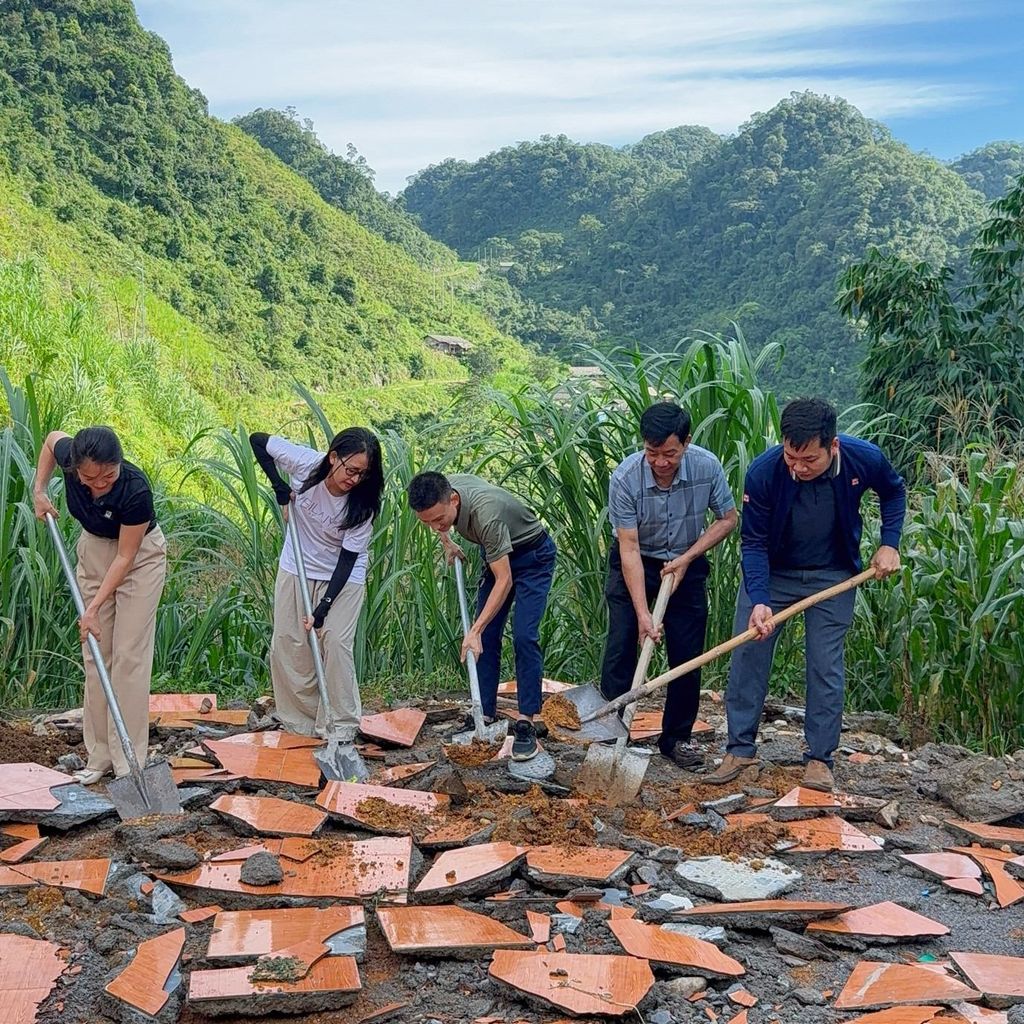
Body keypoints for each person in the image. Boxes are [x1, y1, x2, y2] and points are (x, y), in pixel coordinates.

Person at [708, 398, 906, 792]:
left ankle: (819, 758)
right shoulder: (765, 471)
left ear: (832, 447)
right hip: (774, 576)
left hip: (833, 576)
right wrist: (760, 598)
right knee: (747, 653)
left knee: (825, 664)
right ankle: (739, 749)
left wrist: (889, 543)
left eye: (808, 460)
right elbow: (754, 543)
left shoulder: (862, 458)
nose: (797, 467)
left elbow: (893, 492)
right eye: (791, 456)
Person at [600, 402, 737, 770]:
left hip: (686, 561)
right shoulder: (625, 478)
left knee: (687, 655)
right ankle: (613, 735)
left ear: (687, 443)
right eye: (652, 453)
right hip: (637, 561)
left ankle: (676, 738)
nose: (661, 462)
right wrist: (644, 613)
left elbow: (727, 519)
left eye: (670, 454)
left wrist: (687, 558)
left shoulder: (707, 467)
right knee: (621, 647)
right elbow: (627, 547)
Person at [33, 426, 167, 786]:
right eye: (90, 478)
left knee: (128, 655)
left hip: (138, 559)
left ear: (118, 465)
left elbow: (125, 557)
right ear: (75, 467)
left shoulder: (135, 490)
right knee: (96, 655)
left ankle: (128, 761)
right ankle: (100, 757)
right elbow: (51, 438)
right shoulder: (70, 457)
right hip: (94, 551)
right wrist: (39, 490)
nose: (100, 484)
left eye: (108, 475)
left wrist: (91, 609)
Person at [407, 471, 556, 761]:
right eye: (428, 522)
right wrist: (447, 541)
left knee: (524, 635)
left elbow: (505, 580)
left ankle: (526, 721)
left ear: (453, 499)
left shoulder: (487, 514)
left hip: (532, 556)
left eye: (440, 520)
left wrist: (472, 629)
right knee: (486, 637)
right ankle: (484, 715)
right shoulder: (441, 489)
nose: (436, 526)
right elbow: (436, 518)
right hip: (496, 553)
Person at [250, 427, 383, 739]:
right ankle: (303, 724)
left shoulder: (363, 506)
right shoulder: (306, 463)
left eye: (363, 474)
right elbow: (258, 441)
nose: (355, 480)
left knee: (335, 642)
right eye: (351, 470)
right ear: (333, 457)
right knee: (288, 644)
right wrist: (279, 486)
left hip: (343, 576)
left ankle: (341, 726)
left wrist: (324, 607)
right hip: (297, 566)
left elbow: (348, 560)